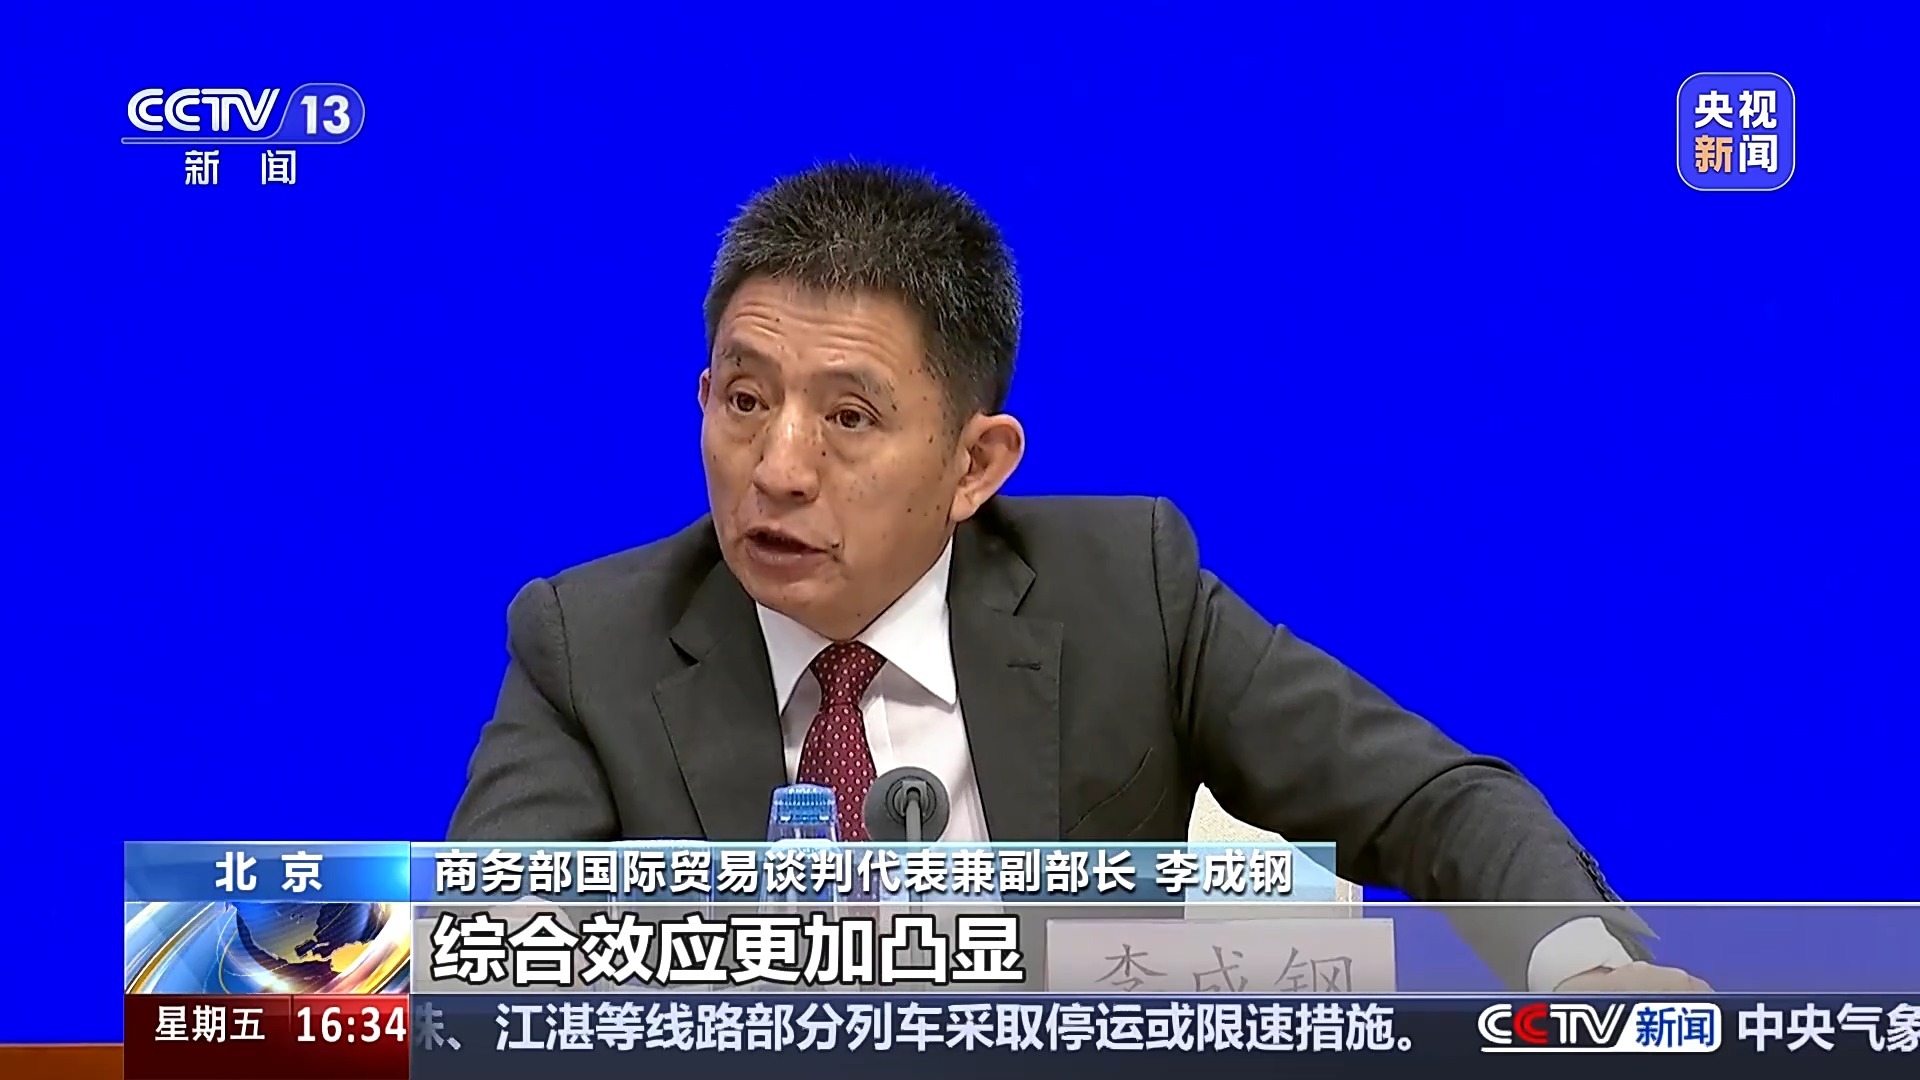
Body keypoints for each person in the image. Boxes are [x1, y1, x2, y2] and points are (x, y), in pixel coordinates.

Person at [449, 162, 1707, 994]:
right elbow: (480, 967)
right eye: (743, 400)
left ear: (974, 465)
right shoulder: (588, 646)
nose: (777, 468)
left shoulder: (1124, 595)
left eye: (848, 418)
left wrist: (1583, 969)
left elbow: (1434, 800)